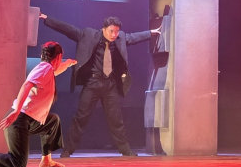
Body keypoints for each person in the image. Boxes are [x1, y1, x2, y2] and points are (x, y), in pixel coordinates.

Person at [40, 13, 159, 157]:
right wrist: (47, 19)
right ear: (104, 29)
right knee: (81, 117)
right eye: (111, 31)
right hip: (92, 83)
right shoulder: (89, 35)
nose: (114, 35)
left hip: (110, 84)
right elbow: (68, 29)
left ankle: (125, 150)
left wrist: (151, 33)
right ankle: (68, 150)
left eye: (116, 31)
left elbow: (134, 37)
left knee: (116, 118)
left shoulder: (120, 38)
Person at [0, 41, 76, 167]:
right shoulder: (45, 68)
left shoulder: (47, 70)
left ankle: (46, 160)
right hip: (19, 119)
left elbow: (57, 69)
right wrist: (16, 111)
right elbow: (27, 85)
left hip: (28, 120)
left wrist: (68, 63)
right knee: (17, 163)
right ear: (59, 56)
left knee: (52, 121)